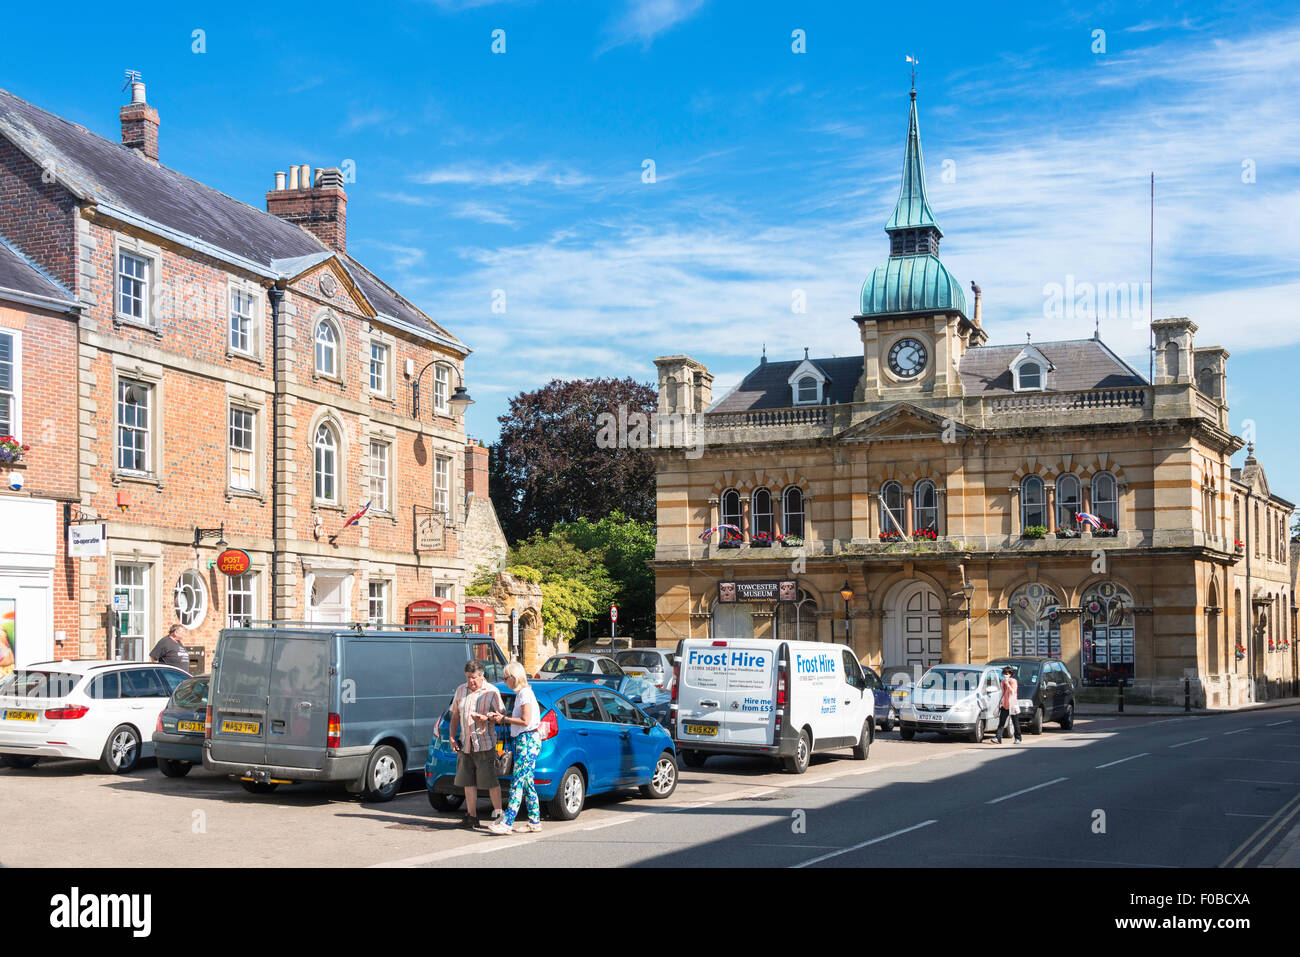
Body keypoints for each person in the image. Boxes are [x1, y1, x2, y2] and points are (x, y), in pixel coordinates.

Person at [486, 661, 543, 835]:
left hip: (527, 740)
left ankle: (507, 822)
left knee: (518, 782)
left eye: (506, 678)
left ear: (514, 677)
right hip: (524, 740)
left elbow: (525, 721)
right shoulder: (522, 694)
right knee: (527, 783)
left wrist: (504, 719)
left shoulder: (525, 694)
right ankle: (534, 821)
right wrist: (503, 717)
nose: (505, 681)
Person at [448, 659, 505, 829]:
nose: (470, 681)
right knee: (468, 781)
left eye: (473, 678)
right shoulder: (460, 690)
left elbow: (501, 717)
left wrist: (486, 718)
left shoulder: (492, 692)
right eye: (467, 678)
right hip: (466, 743)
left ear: (481, 676)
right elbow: (455, 716)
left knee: (491, 782)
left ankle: (499, 817)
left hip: (485, 744)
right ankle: (471, 816)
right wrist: (452, 737)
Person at [994, 665, 1022, 744]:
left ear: (1011, 674)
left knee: (1015, 722)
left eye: (1007, 673)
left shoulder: (1013, 681)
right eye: (1004, 673)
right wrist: (1001, 704)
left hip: (1012, 705)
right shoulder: (1002, 682)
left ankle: (1018, 738)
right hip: (1005, 705)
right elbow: (1002, 693)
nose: (1005, 675)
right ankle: (998, 738)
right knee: (1001, 723)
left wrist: (1008, 684)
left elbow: (1012, 692)